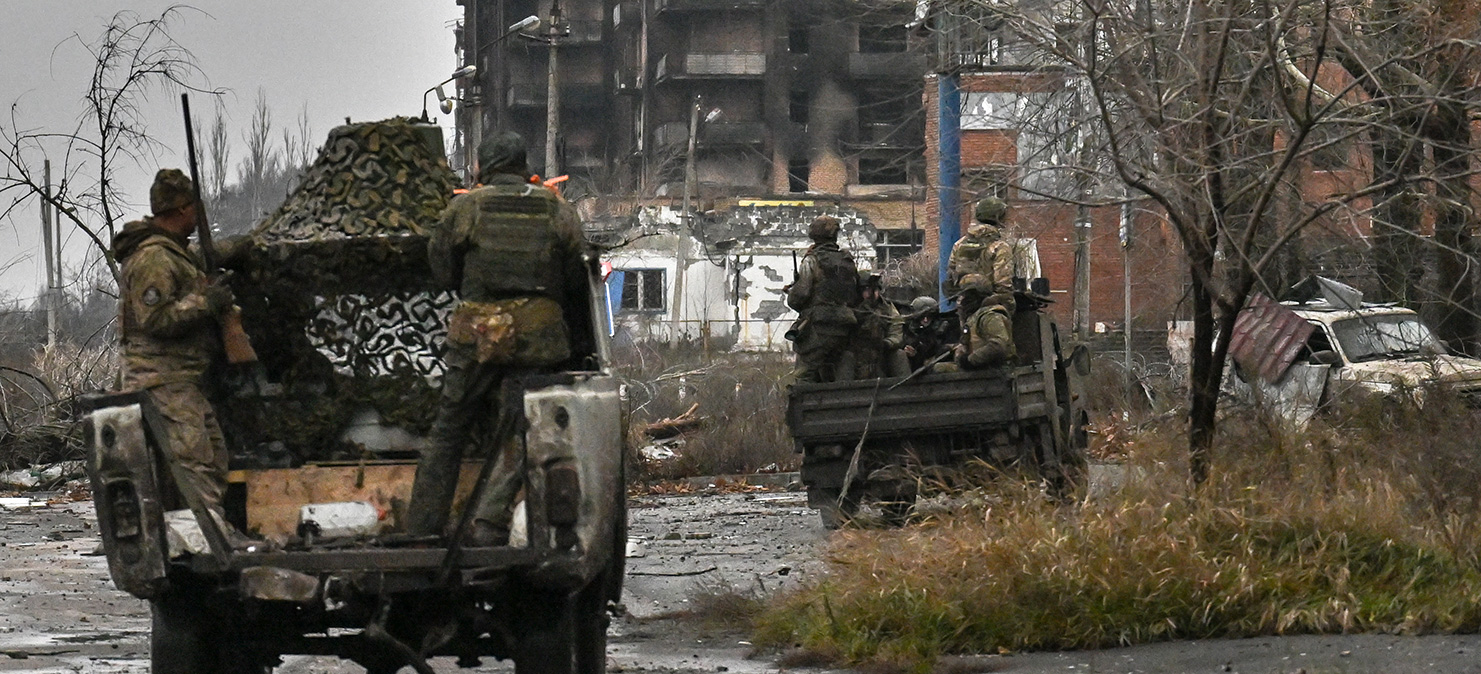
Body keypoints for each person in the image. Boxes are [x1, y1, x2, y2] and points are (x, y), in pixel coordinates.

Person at [406, 131, 590, 546]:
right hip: (538, 335)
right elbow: (578, 272)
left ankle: (421, 528)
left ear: (483, 168)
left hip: (478, 332)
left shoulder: (465, 207)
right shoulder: (556, 210)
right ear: (523, 166)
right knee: (526, 429)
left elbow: (440, 267)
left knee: (450, 427)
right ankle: (488, 521)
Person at [113, 168, 248, 548]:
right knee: (195, 464)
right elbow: (155, 318)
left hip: (183, 380)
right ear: (183, 209)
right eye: (194, 209)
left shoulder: (173, 251)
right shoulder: (154, 258)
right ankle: (208, 544)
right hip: (162, 380)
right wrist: (208, 302)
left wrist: (245, 246)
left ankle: (212, 535)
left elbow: (203, 257)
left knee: (213, 454)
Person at [785, 215, 859, 383]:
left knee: (803, 376)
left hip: (819, 328)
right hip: (846, 327)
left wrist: (791, 294)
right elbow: (855, 294)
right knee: (842, 376)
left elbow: (800, 295)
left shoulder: (812, 260)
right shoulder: (847, 261)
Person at [946, 197, 1018, 369]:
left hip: (964, 304)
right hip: (988, 305)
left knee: (967, 343)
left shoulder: (959, 244)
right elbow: (1003, 285)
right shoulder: (999, 247)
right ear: (999, 217)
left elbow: (951, 277)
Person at [846, 271, 908, 378]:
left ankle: (905, 391)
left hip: (881, 354)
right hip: (857, 354)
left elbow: (896, 332)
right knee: (846, 357)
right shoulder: (851, 308)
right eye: (864, 289)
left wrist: (886, 343)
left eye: (871, 289)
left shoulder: (888, 308)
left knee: (899, 355)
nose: (868, 294)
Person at [902, 295, 948, 371]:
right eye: (922, 317)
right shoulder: (909, 331)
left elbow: (942, 351)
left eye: (929, 316)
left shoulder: (942, 330)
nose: (926, 320)